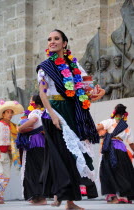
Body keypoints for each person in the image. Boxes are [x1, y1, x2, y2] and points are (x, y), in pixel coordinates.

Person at [36, 29, 105, 210]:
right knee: (62, 156)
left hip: (73, 112)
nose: (52, 41)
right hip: (55, 112)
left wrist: (96, 94)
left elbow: (85, 91)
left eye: (56, 38)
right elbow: (42, 94)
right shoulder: (45, 67)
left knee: (74, 156)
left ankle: (68, 201)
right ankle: (64, 197)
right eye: (49, 39)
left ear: (64, 43)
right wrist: (52, 115)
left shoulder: (75, 67)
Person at [96, 104, 134, 204]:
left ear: (114, 112)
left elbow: (97, 128)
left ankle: (113, 197)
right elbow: (131, 143)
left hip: (110, 149)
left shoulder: (109, 121)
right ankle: (124, 197)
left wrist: (103, 135)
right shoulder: (126, 126)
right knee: (123, 172)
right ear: (124, 115)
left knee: (107, 172)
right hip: (122, 151)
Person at [16, 94, 46, 205]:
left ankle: (38, 197)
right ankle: (41, 197)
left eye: (30, 99)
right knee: (40, 168)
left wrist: (20, 128)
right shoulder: (44, 112)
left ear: (33, 102)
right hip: (42, 142)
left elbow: (34, 120)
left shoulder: (35, 112)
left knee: (32, 170)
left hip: (33, 142)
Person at [0, 100, 24, 204]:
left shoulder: (12, 126)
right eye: (8, 112)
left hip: (6, 155)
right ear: (3, 114)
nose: (10, 114)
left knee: (7, 176)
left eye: (11, 112)